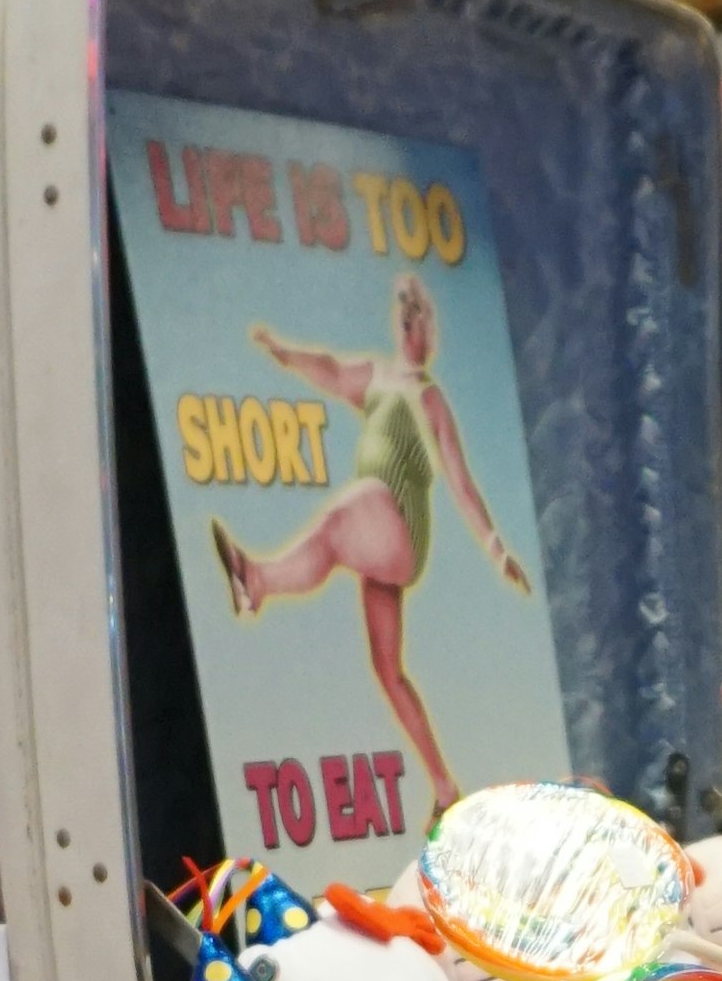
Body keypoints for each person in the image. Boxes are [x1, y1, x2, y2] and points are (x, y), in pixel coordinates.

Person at [212, 266, 534, 817]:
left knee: (345, 514)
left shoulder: (430, 399)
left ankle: (259, 579)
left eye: (423, 320)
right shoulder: (378, 379)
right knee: (388, 671)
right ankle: (444, 787)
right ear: (402, 327)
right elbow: (332, 371)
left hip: (400, 525)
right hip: (379, 537)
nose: (416, 331)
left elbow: (459, 482)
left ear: (428, 331)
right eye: (410, 319)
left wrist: (497, 549)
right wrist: (282, 352)